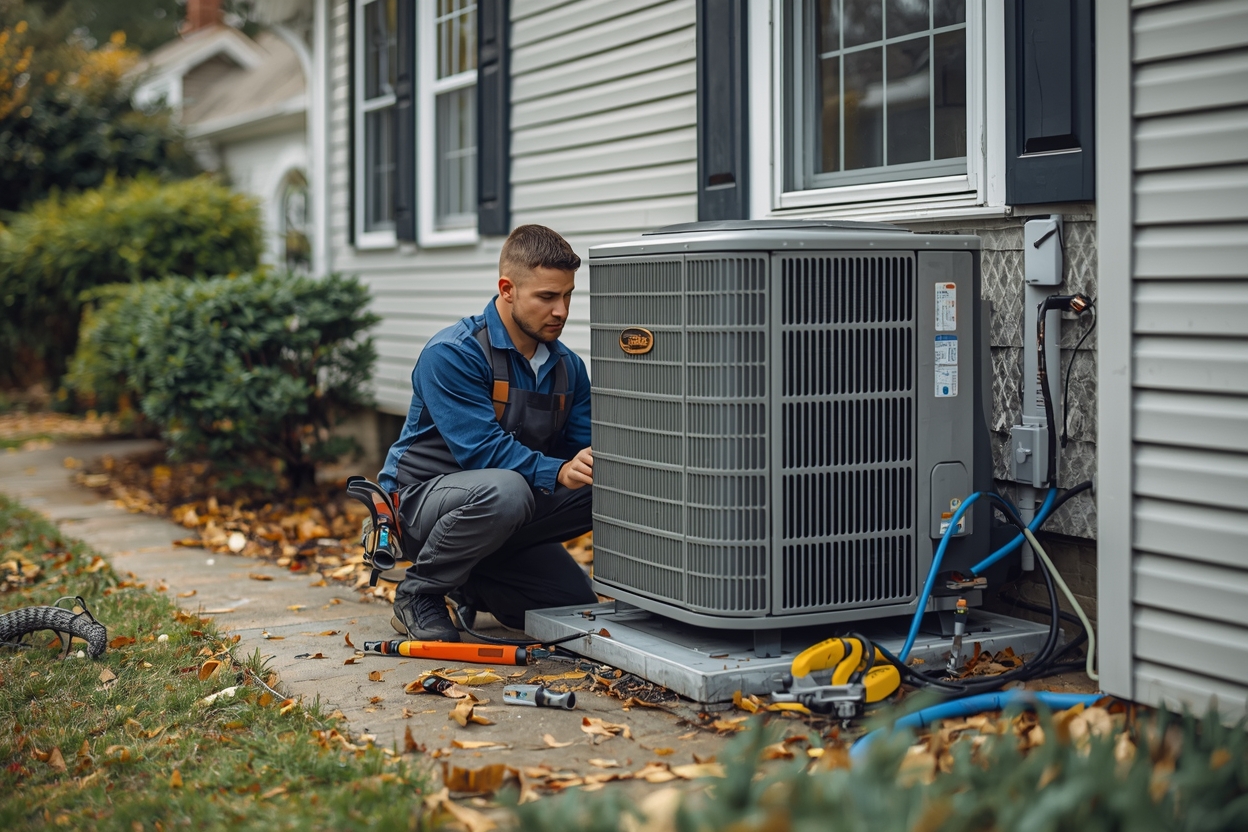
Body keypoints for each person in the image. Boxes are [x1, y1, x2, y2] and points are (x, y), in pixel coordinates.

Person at [377, 224, 598, 642]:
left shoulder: (569, 368)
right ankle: (419, 593)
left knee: (572, 596)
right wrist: (558, 473)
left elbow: (579, 454)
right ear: (507, 289)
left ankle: (469, 578)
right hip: (421, 505)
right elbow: (482, 452)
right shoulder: (453, 354)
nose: (562, 311)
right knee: (505, 489)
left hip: (509, 511)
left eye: (568, 295)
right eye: (547, 297)